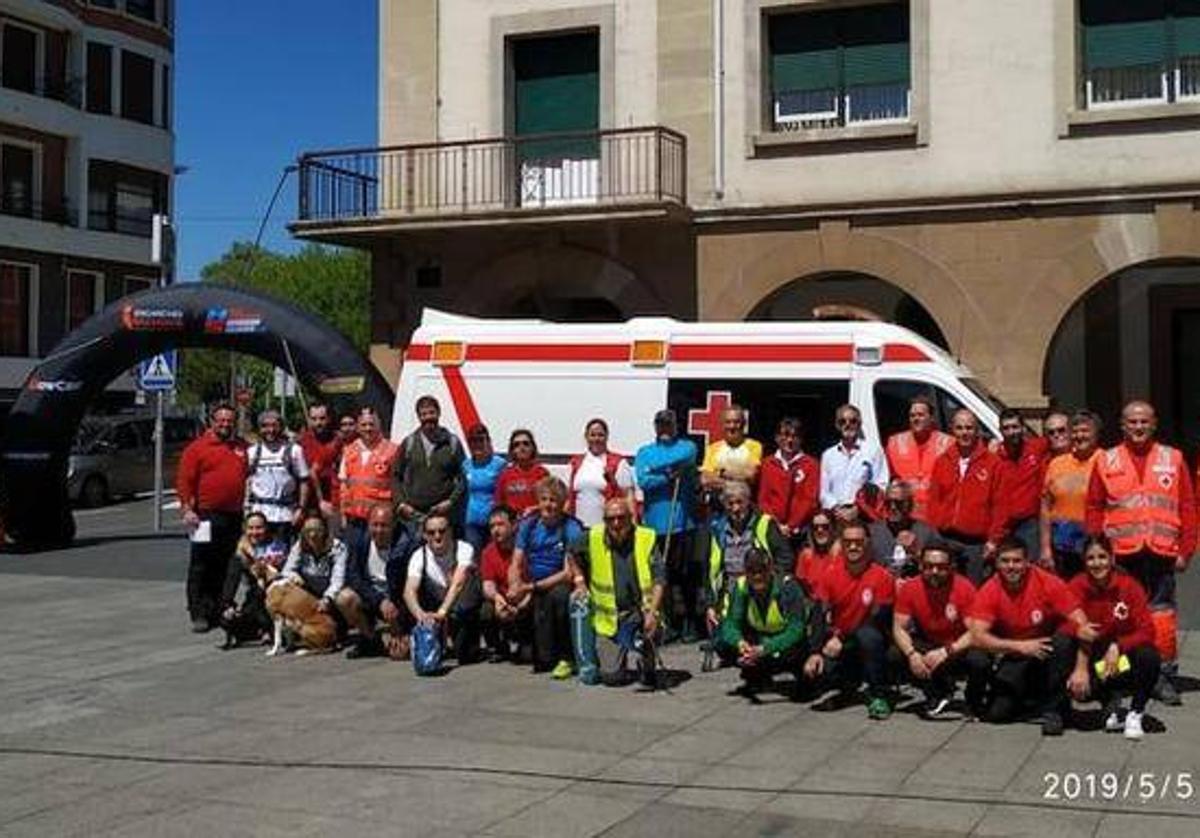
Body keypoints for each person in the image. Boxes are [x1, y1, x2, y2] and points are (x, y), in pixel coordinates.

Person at [1086, 400, 1195, 706]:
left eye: (1144, 421)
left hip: (1161, 552)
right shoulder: (1106, 460)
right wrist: (1098, 549)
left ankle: (1162, 676)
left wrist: (1186, 550)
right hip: (1121, 554)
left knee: (1161, 616)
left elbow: (1187, 506)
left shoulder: (1172, 458)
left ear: (1154, 424)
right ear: (1122, 425)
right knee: (1120, 616)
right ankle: (1120, 675)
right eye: (1132, 422)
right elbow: (1094, 506)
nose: (1138, 427)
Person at [966, 539, 1094, 735]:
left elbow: (1084, 625)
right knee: (997, 714)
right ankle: (1033, 699)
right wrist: (1020, 647)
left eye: (1017, 561)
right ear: (997, 563)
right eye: (1005, 561)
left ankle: (1055, 710)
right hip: (1016, 652)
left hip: (1048, 650)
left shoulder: (1048, 582)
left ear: (1028, 562)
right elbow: (977, 637)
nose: (1011, 567)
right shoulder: (990, 589)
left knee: (1063, 640)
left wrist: (1081, 668)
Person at [1067, 535, 1161, 740]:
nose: (1097, 563)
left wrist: (1118, 645)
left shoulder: (1130, 587)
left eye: (1102, 557)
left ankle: (1135, 713)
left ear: (1112, 559)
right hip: (1092, 658)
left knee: (1149, 656)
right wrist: (1077, 632)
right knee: (1061, 644)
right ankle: (1065, 708)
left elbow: (1147, 631)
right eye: (1091, 558)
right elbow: (1062, 623)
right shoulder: (1076, 585)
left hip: (1120, 660)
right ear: (1084, 562)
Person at [569, 497, 667, 686]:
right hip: (610, 619)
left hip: (641, 613)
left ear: (631, 518)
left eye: (621, 518)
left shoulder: (646, 538)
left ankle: (646, 662)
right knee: (612, 678)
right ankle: (613, 660)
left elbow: (659, 579)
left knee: (653, 632)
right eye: (610, 519)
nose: (616, 523)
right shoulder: (593, 537)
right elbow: (571, 552)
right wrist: (579, 581)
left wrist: (653, 612)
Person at [892, 542, 988, 718]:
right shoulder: (910, 587)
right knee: (895, 654)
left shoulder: (964, 588)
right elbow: (899, 627)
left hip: (957, 645)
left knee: (980, 660)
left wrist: (947, 651)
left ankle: (974, 702)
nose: (934, 571)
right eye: (929, 566)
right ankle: (935, 691)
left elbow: (975, 631)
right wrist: (912, 654)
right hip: (928, 642)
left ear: (952, 567)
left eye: (941, 567)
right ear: (920, 565)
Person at [812, 523, 898, 719]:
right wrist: (814, 652)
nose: (853, 547)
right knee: (816, 673)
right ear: (841, 545)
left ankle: (879, 694)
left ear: (868, 544)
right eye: (848, 542)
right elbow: (818, 612)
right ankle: (850, 682)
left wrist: (841, 638)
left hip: (873, 639)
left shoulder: (882, 576)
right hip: (841, 641)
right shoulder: (830, 573)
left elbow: (877, 619)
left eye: (858, 542)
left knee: (867, 636)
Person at [713, 548, 825, 697]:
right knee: (722, 642)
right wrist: (740, 644)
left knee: (799, 668)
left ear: (770, 568)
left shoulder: (788, 587)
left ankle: (802, 677)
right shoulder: (741, 587)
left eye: (762, 570)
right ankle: (757, 675)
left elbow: (796, 630)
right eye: (752, 571)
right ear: (746, 572)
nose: (757, 576)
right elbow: (730, 624)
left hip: (789, 643)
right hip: (760, 638)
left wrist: (766, 648)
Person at [176, 403, 248, 632]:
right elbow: (184, 481)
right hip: (205, 516)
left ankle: (219, 606)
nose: (225, 424)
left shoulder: (241, 447)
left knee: (227, 564)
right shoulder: (197, 449)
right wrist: (187, 509)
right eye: (221, 420)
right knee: (201, 564)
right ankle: (198, 611)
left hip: (234, 515)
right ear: (212, 421)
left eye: (229, 421)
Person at [634, 409, 701, 642]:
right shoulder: (645, 452)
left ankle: (690, 622)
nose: (664, 428)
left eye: (668, 424)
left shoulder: (687, 446)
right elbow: (644, 481)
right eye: (660, 425)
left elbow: (687, 460)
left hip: (683, 524)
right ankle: (668, 622)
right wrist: (668, 476)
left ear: (675, 425)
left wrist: (657, 469)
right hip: (655, 527)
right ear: (655, 426)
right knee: (662, 577)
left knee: (686, 577)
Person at [510, 477, 584, 678]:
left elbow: (568, 572)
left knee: (558, 597)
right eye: (544, 499)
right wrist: (514, 585)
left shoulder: (571, 527)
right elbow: (516, 561)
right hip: (531, 581)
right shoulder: (529, 524)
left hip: (558, 582)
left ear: (562, 504)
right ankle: (525, 645)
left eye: (553, 500)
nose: (548, 505)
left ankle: (566, 657)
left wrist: (531, 587)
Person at [699, 481, 792, 637]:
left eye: (739, 502)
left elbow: (785, 558)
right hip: (730, 596)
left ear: (748, 501)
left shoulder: (765, 524)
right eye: (730, 504)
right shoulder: (717, 529)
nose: (735, 508)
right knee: (725, 646)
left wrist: (772, 582)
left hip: (760, 593)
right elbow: (709, 572)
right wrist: (710, 605)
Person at [928, 408, 1003, 585]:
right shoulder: (942, 461)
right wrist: (932, 535)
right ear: (953, 430)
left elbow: (1000, 506)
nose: (964, 433)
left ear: (977, 431)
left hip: (975, 543)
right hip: (945, 538)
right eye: (960, 428)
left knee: (973, 593)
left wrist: (993, 540)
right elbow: (934, 500)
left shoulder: (992, 463)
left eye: (969, 428)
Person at [402, 511, 482, 664]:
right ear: (425, 536)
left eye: (442, 531)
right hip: (435, 604)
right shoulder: (419, 555)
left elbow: (458, 584)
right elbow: (409, 591)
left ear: (450, 531)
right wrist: (421, 616)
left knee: (465, 656)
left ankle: (468, 639)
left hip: (460, 605)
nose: (437, 536)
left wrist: (442, 612)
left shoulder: (464, 549)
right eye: (431, 533)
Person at [338, 505, 415, 659]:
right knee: (344, 598)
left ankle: (403, 636)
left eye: (384, 526)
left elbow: (411, 586)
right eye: (375, 525)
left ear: (394, 525)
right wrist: (380, 601)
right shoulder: (359, 541)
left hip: (400, 603)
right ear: (368, 524)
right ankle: (371, 640)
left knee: (400, 654)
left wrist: (398, 626)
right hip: (373, 599)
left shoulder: (408, 546)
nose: (379, 530)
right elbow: (353, 577)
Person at [268, 513, 350, 654]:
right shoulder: (299, 545)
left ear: (325, 531)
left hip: (330, 597)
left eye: (317, 530)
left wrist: (327, 598)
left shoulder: (338, 547)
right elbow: (287, 570)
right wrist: (296, 577)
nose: (312, 535)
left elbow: (338, 578)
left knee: (344, 601)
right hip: (309, 593)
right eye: (308, 531)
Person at [1040, 410, 1101, 578]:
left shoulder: (1106, 461)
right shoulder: (1056, 464)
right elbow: (1046, 507)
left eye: (1085, 431)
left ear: (1096, 433)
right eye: (1075, 431)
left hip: (1095, 544)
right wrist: (1045, 548)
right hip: (1062, 544)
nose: (1080, 435)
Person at [394, 396, 466, 538]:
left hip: (443, 515)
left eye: (431, 413)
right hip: (414, 517)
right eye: (423, 414)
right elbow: (395, 476)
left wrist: (451, 501)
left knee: (444, 556)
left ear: (439, 413)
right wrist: (401, 504)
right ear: (419, 416)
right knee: (415, 556)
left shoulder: (452, 442)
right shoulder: (409, 443)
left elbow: (464, 476)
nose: (428, 417)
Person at [338, 407, 400, 562]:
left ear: (379, 425)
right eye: (364, 425)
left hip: (380, 520)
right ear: (358, 427)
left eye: (371, 424)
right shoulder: (349, 450)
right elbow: (344, 484)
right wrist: (344, 514)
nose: (368, 428)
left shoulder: (392, 450)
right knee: (354, 557)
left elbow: (399, 484)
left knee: (379, 559)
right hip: (355, 518)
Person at [221, 511, 289, 646]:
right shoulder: (241, 551)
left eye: (259, 528)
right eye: (250, 528)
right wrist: (228, 604)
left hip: (278, 596)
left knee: (260, 592)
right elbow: (232, 580)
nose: (255, 532)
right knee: (226, 618)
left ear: (266, 528)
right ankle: (259, 629)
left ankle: (269, 630)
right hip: (255, 600)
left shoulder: (278, 546)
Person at [244, 409, 310, 543]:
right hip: (258, 515)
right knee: (258, 558)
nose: (270, 430)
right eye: (265, 426)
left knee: (282, 557)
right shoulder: (252, 452)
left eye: (274, 425)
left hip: (284, 515)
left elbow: (304, 481)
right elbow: (249, 480)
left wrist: (301, 509)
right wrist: (246, 507)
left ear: (281, 426)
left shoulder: (294, 450)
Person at [993, 408, 1051, 561]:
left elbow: (1059, 440)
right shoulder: (994, 456)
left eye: (1015, 427)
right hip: (1003, 526)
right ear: (1000, 430)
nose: (1012, 432)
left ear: (1023, 428)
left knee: (1029, 565)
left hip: (1028, 523)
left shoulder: (1037, 447)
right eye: (1006, 428)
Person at [884, 395, 951, 523]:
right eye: (912, 415)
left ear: (931, 418)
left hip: (936, 517)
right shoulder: (894, 442)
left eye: (920, 415)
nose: (916, 419)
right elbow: (886, 479)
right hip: (904, 516)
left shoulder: (948, 443)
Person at [479, 505, 533, 662]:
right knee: (486, 611)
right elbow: (487, 585)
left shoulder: (527, 548)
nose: (495, 530)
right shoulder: (488, 551)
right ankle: (498, 648)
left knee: (526, 657)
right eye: (492, 526)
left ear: (514, 525)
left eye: (500, 525)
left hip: (526, 601)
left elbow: (535, 583)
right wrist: (497, 598)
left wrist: (522, 605)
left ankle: (525, 643)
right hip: (504, 602)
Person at [820, 404, 888, 525]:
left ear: (859, 424)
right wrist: (837, 509)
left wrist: (858, 509)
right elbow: (824, 491)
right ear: (837, 425)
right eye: (842, 421)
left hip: (864, 517)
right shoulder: (828, 455)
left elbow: (881, 485)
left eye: (853, 421)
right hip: (836, 517)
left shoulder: (873, 450)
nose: (847, 424)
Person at [757, 417, 820, 543]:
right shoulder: (767, 464)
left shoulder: (811, 465)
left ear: (801, 439)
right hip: (773, 528)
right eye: (785, 435)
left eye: (795, 436)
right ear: (776, 438)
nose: (790, 440)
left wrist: (791, 526)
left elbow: (810, 500)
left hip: (801, 530)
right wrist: (775, 525)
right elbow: (763, 499)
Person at [567, 418, 636, 528]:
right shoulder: (576, 463)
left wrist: (633, 525)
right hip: (578, 528)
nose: (596, 439)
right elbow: (568, 498)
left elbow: (628, 496)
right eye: (592, 435)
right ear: (586, 437)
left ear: (607, 437)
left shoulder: (618, 462)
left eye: (600, 435)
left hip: (607, 528)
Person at [868, 479, 935, 577]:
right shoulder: (872, 532)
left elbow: (938, 568)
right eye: (888, 503)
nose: (893, 507)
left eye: (898, 503)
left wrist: (916, 552)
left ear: (910, 504)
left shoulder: (927, 533)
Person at [700, 405, 763, 506]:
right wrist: (737, 479)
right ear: (723, 424)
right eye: (728, 422)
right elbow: (705, 479)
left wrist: (719, 472)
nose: (732, 426)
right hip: (718, 507)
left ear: (744, 424)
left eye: (736, 422)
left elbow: (750, 475)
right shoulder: (712, 448)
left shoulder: (754, 446)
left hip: (745, 506)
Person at [462, 423, 507, 552]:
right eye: (473, 441)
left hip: (494, 522)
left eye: (480, 440)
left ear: (488, 441)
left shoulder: (500, 464)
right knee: (474, 560)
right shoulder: (466, 465)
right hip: (471, 523)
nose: (477, 444)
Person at [298, 402, 343, 520]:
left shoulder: (338, 441)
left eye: (322, 419)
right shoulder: (302, 441)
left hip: (333, 500)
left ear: (329, 419)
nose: (318, 423)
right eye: (314, 419)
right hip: (308, 501)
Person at [493, 429, 550, 516]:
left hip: (536, 525)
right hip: (513, 527)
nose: (521, 447)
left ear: (532, 448)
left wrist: (535, 509)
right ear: (512, 450)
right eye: (516, 445)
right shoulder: (505, 475)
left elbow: (551, 503)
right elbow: (498, 505)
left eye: (526, 443)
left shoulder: (542, 473)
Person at [794, 509, 841, 595]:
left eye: (825, 527)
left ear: (833, 528)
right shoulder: (806, 556)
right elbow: (802, 588)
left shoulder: (842, 554)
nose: (820, 530)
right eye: (815, 527)